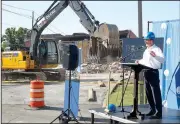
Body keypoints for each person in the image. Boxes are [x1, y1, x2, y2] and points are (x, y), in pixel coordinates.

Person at [136, 31, 164, 119]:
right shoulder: (146, 50)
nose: (145, 41)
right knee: (148, 93)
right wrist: (139, 61)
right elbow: (145, 61)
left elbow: (163, 60)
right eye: (145, 40)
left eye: (147, 40)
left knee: (156, 93)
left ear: (151, 40)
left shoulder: (157, 49)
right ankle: (152, 110)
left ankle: (158, 112)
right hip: (146, 72)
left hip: (153, 72)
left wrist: (155, 56)